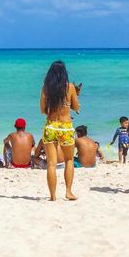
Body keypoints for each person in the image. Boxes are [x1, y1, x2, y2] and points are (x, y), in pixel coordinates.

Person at [40, 60, 81, 201]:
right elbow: (76, 107)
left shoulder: (46, 89)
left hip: (51, 126)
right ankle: (68, 192)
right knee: (69, 160)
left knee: (51, 163)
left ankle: (52, 196)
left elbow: (42, 110)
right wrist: (74, 97)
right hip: (65, 127)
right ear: (64, 73)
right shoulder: (69, 87)